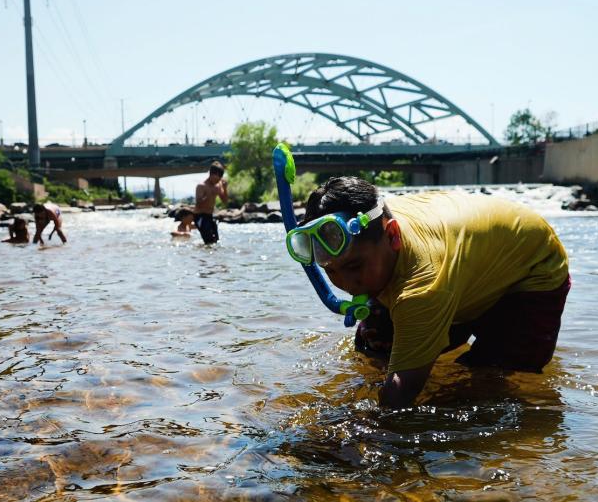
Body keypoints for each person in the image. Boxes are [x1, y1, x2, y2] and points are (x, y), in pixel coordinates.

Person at [294, 177, 570, 408]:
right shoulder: (372, 232)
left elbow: (400, 396)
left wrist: (364, 439)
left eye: (355, 266)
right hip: (462, 259)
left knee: (487, 385)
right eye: (332, 272)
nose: (348, 285)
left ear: (393, 236)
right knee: (374, 349)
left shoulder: (420, 287)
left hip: (528, 268)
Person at [194, 161, 228, 244]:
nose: (219, 179)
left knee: (215, 241)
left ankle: (211, 256)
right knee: (209, 241)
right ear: (212, 174)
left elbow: (225, 201)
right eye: (218, 176)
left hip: (210, 216)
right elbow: (198, 203)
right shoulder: (201, 186)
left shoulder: (218, 185)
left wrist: (225, 188)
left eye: (221, 176)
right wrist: (209, 195)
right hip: (200, 216)